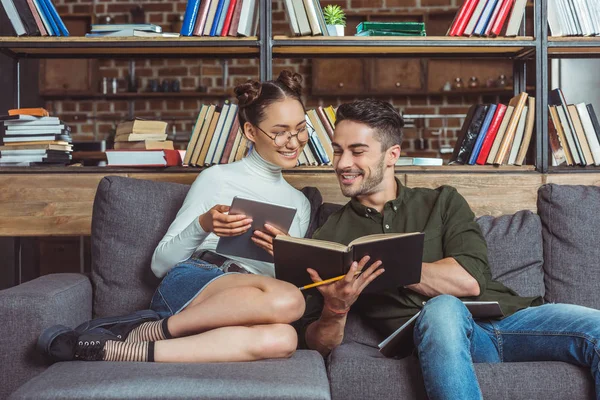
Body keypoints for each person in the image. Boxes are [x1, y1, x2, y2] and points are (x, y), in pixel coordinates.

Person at [297, 98, 600, 400]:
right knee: (442, 308)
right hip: (435, 335)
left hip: (512, 321)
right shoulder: (331, 236)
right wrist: (337, 308)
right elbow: (316, 343)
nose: (342, 163)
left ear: (392, 155)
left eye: (357, 151)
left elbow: (468, 281)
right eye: (337, 151)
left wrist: (384, 263)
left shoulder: (442, 202)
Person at [41, 70, 313, 364]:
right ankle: (157, 329)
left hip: (248, 305)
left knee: (284, 338)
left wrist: (285, 256)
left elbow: (286, 286)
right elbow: (160, 265)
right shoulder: (217, 179)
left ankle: (114, 349)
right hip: (200, 281)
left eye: (300, 129)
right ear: (250, 132)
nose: (294, 141)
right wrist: (204, 225)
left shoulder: (300, 203)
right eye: (280, 131)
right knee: (290, 300)